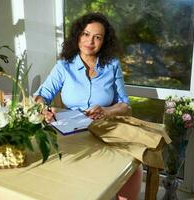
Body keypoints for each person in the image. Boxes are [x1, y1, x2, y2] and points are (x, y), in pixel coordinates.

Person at [34, 12, 142, 200]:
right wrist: (43, 108)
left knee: (133, 168)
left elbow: (126, 105)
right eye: (86, 34)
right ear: (78, 35)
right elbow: (41, 96)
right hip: (71, 132)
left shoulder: (112, 65)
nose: (90, 41)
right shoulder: (63, 66)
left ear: (104, 42)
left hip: (105, 128)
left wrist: (106, 110)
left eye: (97, 37)